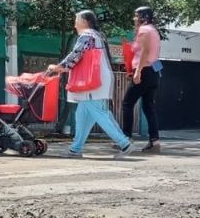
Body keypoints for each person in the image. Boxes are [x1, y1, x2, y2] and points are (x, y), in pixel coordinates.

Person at [47, 10, 134, 159]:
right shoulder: (96, 36)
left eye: (76, 19)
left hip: (92, 83)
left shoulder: (87, 36)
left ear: (84, 21)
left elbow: (76, 54)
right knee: (82, 115)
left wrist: (58, 67)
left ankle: (124, 144)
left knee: (100, 114)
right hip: (94, 81)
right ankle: (76, 149)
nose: (74, 23)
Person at [122, 6, 162, 153]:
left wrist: (137, 71)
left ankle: (125, 138)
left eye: (136, 15)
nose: (134, 19)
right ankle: (154, 140)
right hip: (154, 71)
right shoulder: (154, 30)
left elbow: (144, 51)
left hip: (144, 70)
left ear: (143, 17)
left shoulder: (144, 30)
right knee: (148, 106)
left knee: (127, 103)